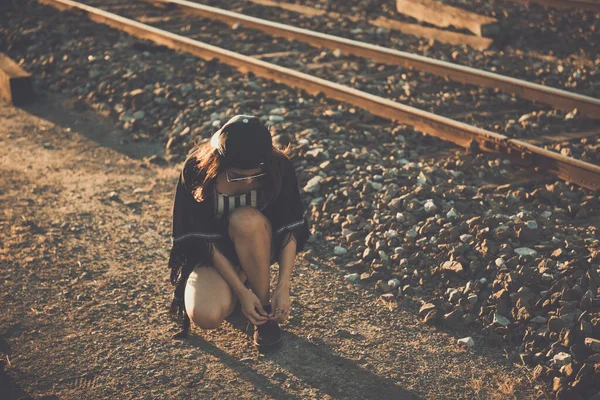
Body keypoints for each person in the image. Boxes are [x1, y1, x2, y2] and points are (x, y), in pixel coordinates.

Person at [167, 114, 310, 350]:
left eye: (255, 175)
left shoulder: (278, 165)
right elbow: (203, 242)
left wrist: (283, 286)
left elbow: (290, 228)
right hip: (217, 255)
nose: (247, 183)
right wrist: (242, 292)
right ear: (219, 163)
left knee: (245, 219)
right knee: (207, 316)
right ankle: (243, 290)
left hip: (259, 242)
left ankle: (262, 313)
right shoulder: (196, 170)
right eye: (238, 176)